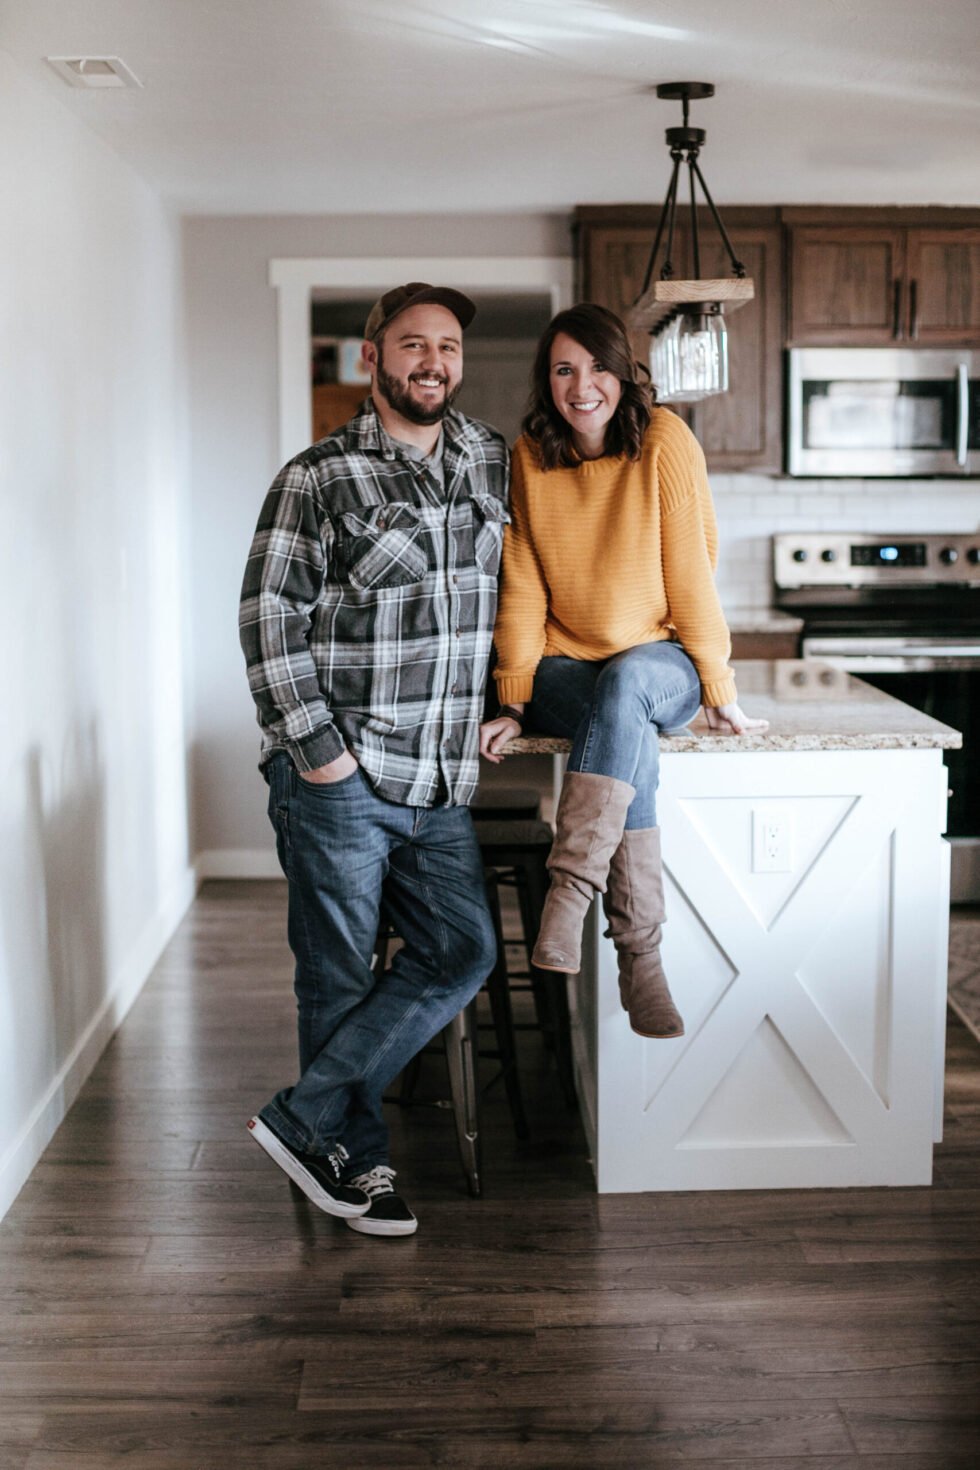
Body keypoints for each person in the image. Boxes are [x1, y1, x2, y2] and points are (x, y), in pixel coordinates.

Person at [239, 283, 509, 1236]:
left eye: (446, 345)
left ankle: (304, 1119)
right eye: (411, 344)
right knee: (339, 977)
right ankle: (358, 1167)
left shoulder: (489, 462)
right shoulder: (317, 477)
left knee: (465, 949)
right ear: (372, 358)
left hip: (441, 781)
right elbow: (268, 618)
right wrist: (320, 756)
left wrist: (513, 700)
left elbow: (524, 593)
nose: (432, 360)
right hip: (342, 777)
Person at [480, 303, 768, 1040]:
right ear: (546, 383)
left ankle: (570, 895)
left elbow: (691, 577)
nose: (583, 386)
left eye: (598, 367)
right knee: (620, 713)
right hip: (563, 667)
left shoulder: (664, 440)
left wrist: (717, 686)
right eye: (564, 370)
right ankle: (641, 959)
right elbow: (522, 586)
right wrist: (512, 697)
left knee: (631, 683)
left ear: (623, 372)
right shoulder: (529, 457)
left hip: (658, 660)